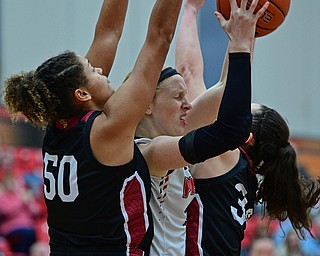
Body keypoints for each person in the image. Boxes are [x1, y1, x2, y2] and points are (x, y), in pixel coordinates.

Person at [3, 0, 183, 255]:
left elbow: (108, 33)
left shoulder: (59, 125)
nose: (99, 68)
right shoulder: (107, 130)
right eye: (92, 70)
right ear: (82, 93)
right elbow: (160, 38)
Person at [175, 0, 320, 255]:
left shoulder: (223, 157)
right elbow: (216, 86)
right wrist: (246, 33)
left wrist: (191, 10)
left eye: (244, 110)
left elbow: (192, 77)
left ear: (247, 136)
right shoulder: (240, 171)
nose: (235, 107)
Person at [124, 0, 269, 254]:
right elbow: (190, 75)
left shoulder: (172, 139)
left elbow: (225, 88)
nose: (188, 105)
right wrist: (241, 42)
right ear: (146, 104)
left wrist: (244, 34)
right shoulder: (150, 152)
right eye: (178, 97)